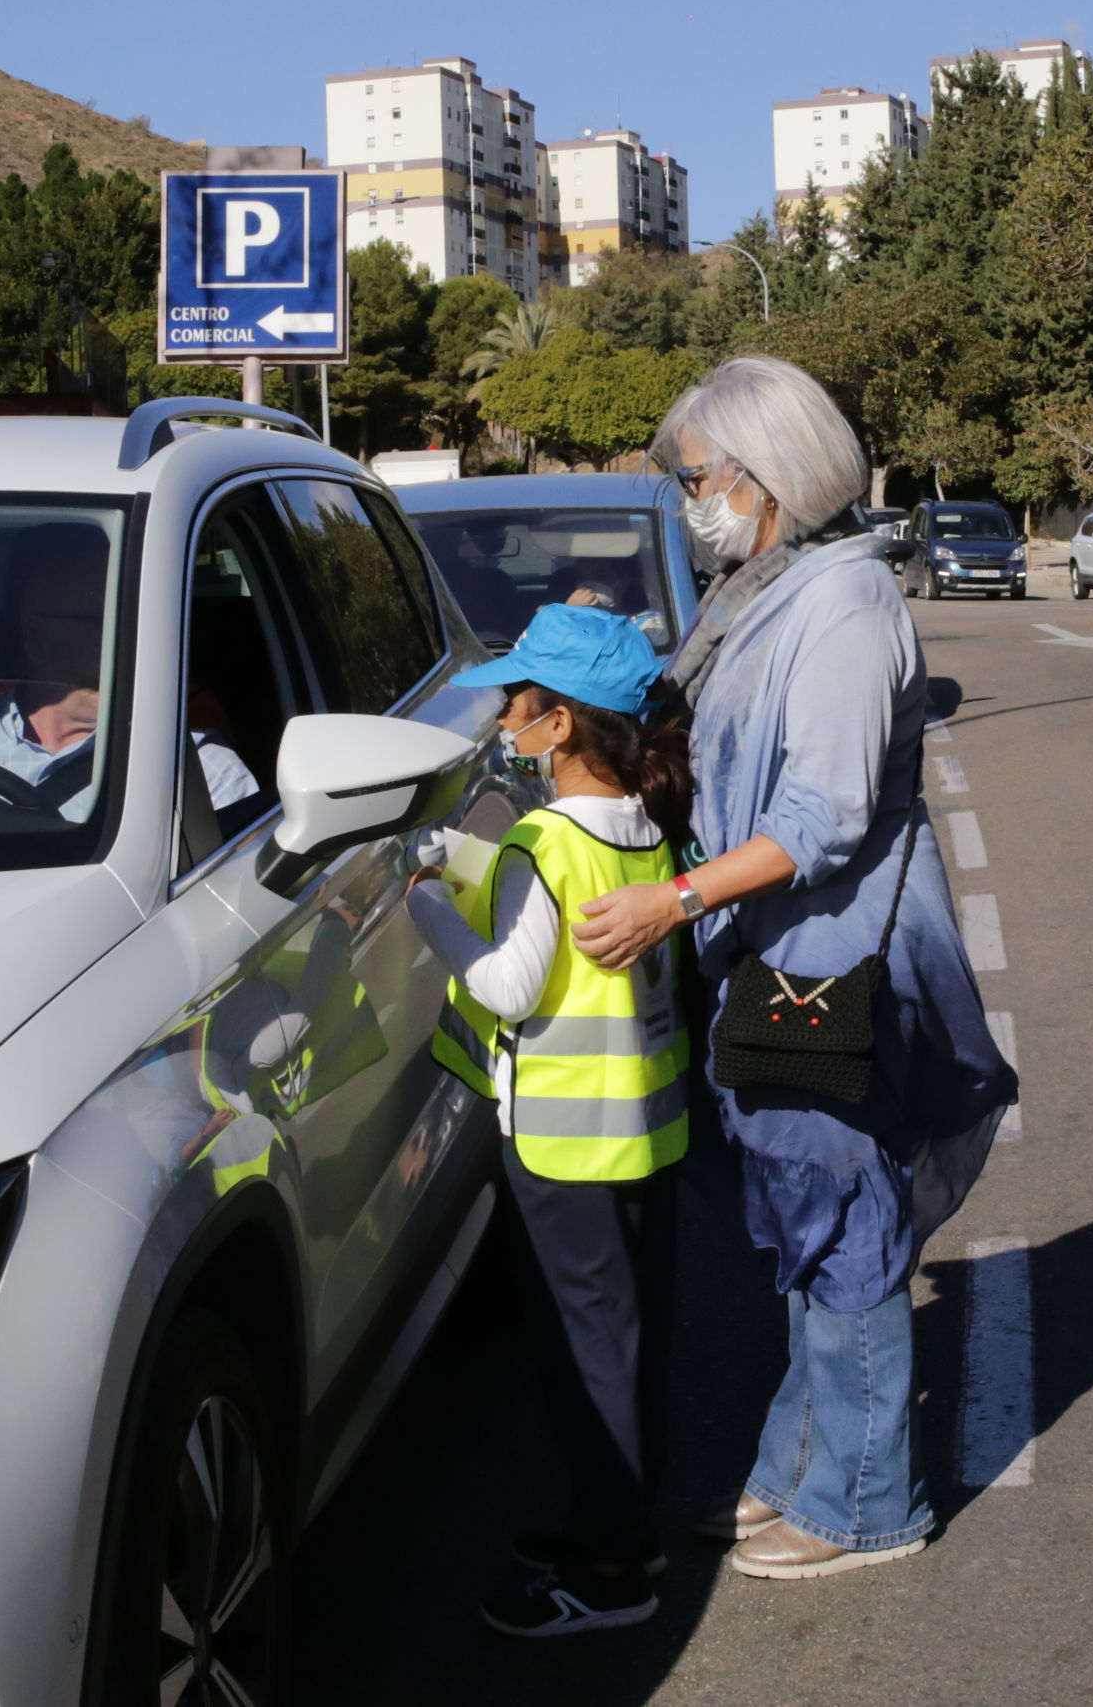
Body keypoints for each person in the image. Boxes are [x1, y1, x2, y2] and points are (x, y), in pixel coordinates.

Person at [570, 355, 1017, 1582]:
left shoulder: (844, 605)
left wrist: (672, 899)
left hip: (830, 953)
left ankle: (868, 1500)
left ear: (767, 478)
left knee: (842, 1222)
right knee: (804, 1217)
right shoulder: (762, 586)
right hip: (769, 949)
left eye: (699, 475)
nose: (689, 497)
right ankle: (800, 1464)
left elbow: (818, 815)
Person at [401, 602, 694, 1638]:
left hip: (561, 1147)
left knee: (583, 1352)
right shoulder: (646, 826)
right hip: (642, 1134)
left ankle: (612, 1570)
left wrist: (425, 900)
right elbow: (568, 921)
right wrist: (479, 866)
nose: (505, 719)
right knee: (626, 1340)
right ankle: (619, 1523)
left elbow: (514, 981)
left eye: (519, 703)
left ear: (559, 724)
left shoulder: (540, 837)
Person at [0, 530, 259, 821]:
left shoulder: (201, 771)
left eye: (134, 618)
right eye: (103, 620)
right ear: (37, 636)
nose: (129, 636)